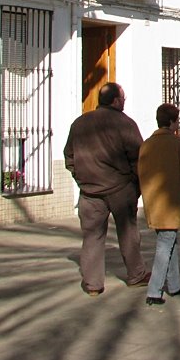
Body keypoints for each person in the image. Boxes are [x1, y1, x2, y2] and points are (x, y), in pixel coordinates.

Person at [64, 82, 150, 296]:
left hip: (90, 191)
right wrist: (134, 181)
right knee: (128, 232)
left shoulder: (79, 123)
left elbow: (69, 156)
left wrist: (80, 177)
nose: (124, 102)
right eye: (123, 98)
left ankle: (93, 284)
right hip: (120, 187)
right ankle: (136, 274)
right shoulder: (124, 123)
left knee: (92, 236)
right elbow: (139, 156)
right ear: (115, 100)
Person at [137, 103, 180, 306]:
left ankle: (174, 284)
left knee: (169, 240)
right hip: (170, 202)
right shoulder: (178, 144)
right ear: (173, 122)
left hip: (153, 202)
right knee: (165, 243)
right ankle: (155, 290)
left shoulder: (147, 144)